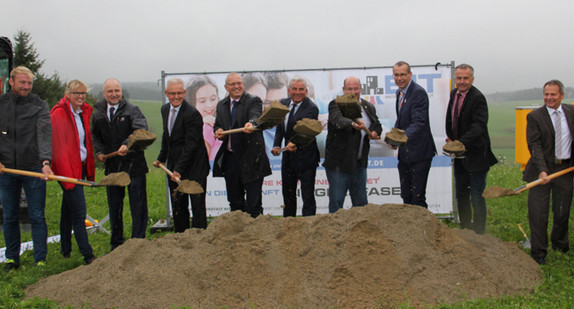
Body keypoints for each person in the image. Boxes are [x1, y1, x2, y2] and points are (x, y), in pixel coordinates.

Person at [0, 66, 52, 270]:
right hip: (7, 171)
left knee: (37, 215)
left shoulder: (39, 105)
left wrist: (46, 163)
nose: (26, 87)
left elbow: (45, 135)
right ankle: (12, 258)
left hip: (33, 169)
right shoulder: (1, 104)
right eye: (22, 82)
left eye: (29, 83)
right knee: (10, 215)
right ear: (11, 82)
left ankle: (40, 258)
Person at [91, 78, 149, 250]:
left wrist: (126, 143)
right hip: (113, 167)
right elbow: (95, 136)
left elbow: (140, 130)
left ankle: (138, 243)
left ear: (121, 92)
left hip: (134, 165)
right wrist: (99, 152)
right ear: (104, 93)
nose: (114, 94)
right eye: (110, 91)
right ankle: (116, 244)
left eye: (117, 90)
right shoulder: (98, 113)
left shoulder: (132, 110)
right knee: (114, 206)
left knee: (138, 205)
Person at [523, 80, 574, 265]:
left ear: (562, 95)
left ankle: (560, 245)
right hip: (540, 170)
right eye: (546, 94)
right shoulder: (535, 116)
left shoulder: (571, 112)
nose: (549, 98)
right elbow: (534, 145)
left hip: (565, 169)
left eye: (553, 94)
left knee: (562, 211)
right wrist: (543, 170)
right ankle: (539, 253)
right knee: (538, 214)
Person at [445, 64, 497, 234]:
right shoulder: (454, 94)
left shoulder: (478, 98)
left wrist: (460, 142)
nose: (462, 81)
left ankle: (479, 233)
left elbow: (479, 126)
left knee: (476, 196)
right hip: (459, 156)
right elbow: (452, 119)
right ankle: (465, 230)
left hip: (476, 157)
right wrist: (452, 138)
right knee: (461, 194)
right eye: (459, 78)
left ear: (472, 79)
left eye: (465, 78)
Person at [154, 78, 210, 232]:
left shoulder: (193, 114)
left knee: (197, 208)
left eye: (179, 93)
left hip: (195, 168)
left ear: (184, 93)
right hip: (175, 167)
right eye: (172, 93)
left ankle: (199, 239)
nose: (176, 96)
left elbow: (191, 145)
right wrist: (161, 157)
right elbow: (168, 136)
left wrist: (179, 168)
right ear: (167, 93)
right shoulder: (165, 109)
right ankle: (181, 239)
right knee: (178, 206)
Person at [50, 79, 96, 264]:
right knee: (79, 211)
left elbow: (84, 142)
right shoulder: (59, 115)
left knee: (67, 209)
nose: (81, 97)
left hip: (80, 166)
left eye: (83, 93)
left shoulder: (82, 113)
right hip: (67, 169)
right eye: (77, 93)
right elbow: (58, 149)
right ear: (67, 94)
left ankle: (65, 248)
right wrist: (68, 178)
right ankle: (88, 255)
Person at [213, 73, 272, 218]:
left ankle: (256, 235)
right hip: (231, 160)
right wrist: (218, 131)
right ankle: (239, 234)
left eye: (239, 83)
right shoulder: (221, 105)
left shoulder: (253, 101)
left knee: (254, 204)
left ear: (243, 85)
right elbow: (218, 125)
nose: (236, 87)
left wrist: (251, 123)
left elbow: (256, 116)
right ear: (226, 87)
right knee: (235, 202)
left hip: (251, 159)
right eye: (232, 84)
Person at [323, 76, 382, 213]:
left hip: (359, 164)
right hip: (339, 165)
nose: (353, 92)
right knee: (337, 203)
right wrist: (352, 124)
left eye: (356, 88)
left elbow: (377, 125)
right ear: (344, 90)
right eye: (349, 89)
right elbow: (337, 119)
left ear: (360, 89)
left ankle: (360, 234)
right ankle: (335, 233)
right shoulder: (336, 104)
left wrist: (374, 132)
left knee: (361, 204)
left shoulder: (368, 107)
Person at [271, 76, 320, 217]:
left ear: (306, 91)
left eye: (301, 89)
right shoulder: (283, 104)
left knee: (307, 195)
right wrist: (276, 145)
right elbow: (280, 129)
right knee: (288, 194)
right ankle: (288, 226)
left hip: (306, 159)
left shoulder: (312, 108)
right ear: (289, 90)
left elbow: (308, 132)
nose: (297, 92)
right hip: (288, 159)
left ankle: (309, 225)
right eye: (294, 89)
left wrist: (296, 143)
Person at [391, 61, 436, 208]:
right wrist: (392, 137)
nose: (399, 78)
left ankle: (423, 230)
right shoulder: (400, 93)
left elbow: (418, 122)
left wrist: (399, 138)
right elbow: (401, 121)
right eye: (396, 75)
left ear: (410, 75)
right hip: (405, 154)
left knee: (417, 197)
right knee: (406, 195)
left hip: (420, 154)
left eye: (403, 74)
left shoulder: (418, 93)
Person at [184, 75, 222, 161]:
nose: (209, 105)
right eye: (202, 101)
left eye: (213, 98)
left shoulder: (219, 122)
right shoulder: (206, 128)